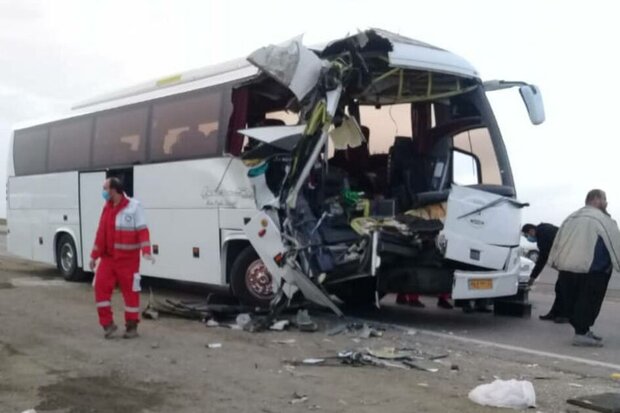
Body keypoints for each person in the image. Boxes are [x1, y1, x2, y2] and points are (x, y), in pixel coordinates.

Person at [549, 189, 620, 347]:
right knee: (589, 302)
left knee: (574, 302)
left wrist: (553, 262)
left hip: (567, 268)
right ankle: (581, 334)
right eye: (604, 199)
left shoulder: (570, 217)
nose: (606, 203)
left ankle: (583, 330)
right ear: (597, 200)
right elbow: (615, 243)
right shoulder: (602, 219)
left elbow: (557, 241)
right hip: (593, 269)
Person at [89, 177, 154, 339]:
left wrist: (146, 250)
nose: (103, 192)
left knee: (131, 293)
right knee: (100, 288)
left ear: (113, 190)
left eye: (105, 188)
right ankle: (107, 325)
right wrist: (93, 256)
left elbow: (142, 231)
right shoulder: (107, 208)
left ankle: (132, 327)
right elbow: (100, 234)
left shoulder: (134, 207)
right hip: (108, 259)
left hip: (128, 261)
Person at [521, 223, 562, 322]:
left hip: (569, 261)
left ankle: (562, 315)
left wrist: (532, 278)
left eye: (527, 236)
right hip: (567, 258)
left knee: (562, 289)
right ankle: (556, 314)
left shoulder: (542, 236)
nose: (528, 238)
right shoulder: (545, 228)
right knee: (561, 288)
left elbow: (542, 260)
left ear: (531, 231)